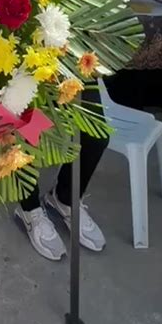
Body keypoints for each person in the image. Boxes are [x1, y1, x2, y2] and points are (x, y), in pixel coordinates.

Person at [15, 86, 109, 260]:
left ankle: (64, 198)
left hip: (74, 72)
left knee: (97, 136)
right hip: (24, 73)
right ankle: (29, 208)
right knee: (28, 133)